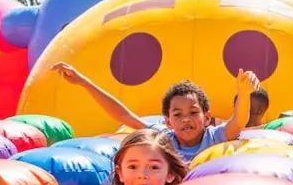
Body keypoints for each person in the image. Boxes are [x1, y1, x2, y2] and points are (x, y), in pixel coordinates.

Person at [51, 63, 259, 162]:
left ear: (207, 118)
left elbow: (239, 121)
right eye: (177, 115)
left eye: (193, 112)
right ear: (168, 122)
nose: (186, 119)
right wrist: (84, 82)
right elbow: (125, 116)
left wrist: (243, 93)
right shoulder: (165, 138)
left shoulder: (215, 136)